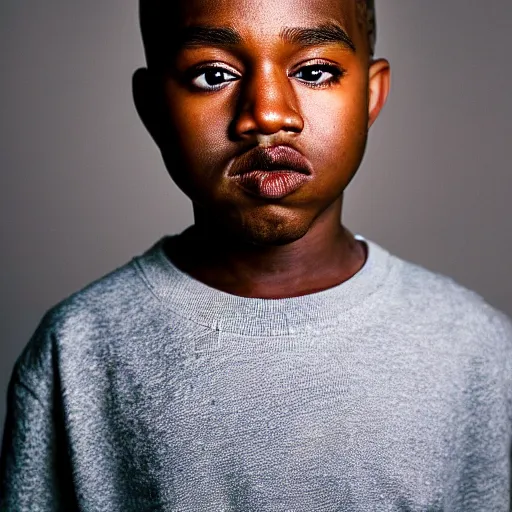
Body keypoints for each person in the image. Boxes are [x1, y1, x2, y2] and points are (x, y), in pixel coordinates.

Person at [1, 0, 511, 510]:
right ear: (154, 106)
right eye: (213, 74)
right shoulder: (76, 349)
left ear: (370, 95)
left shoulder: (476, 350)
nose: (268, 112)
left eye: (314, 71)